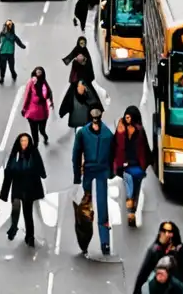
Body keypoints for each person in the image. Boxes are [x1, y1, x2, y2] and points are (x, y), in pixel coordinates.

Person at [72, 107, 115, 256]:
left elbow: (112, 154)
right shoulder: (83, 133)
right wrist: (77, 176)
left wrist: (111, 172)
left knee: (103, 208)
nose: (95, 121)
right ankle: (84, 242)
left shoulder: (108, 135)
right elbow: (76, 155)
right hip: (89, 171)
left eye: (98, 118)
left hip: (102, 171)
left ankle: (105, 242)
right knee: (85, 209)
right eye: (93, 118)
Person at [0, 132, 47, 246]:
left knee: (28, 213)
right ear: (19, 142)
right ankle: (13, 227)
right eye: (22, 141)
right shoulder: (15, 154)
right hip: (17, 185)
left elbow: (39, 164)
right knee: (15, 208)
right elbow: (9, 171)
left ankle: (30, 236)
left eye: (26, 141)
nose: (24, 143)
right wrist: (4, 192)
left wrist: (42, 174)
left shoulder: (33, 152)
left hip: (29, 187)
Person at [132, 221, 183, 293]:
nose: (166, 234)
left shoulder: (179, 249)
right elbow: (143, 274)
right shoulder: (155, 250)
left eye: (169, 232)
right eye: (163, 231)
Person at [114, 105, 150, 226]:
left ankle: (132, 210)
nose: (126, 118)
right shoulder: (120, 129)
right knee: (129, 187)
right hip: (125, 166)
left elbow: (145, 148)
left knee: (136, 191)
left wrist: (146, 164)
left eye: (129, 117)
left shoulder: (139, 130)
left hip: (138, 166)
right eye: (126, 116)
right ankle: (130, 213)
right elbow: (115, 146)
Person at [21, 67, 54, 147]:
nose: (38, 74)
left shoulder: (44, 83)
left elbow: (49, 93)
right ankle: (35, 145)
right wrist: (24, 108)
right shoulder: (31, 83)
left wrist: (51, 102)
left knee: (41, 130)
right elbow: (27, 96)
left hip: (43, 112)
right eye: (37, 72)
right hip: (32, 112)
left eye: (40, 72)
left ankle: (44, 136)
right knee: (34, 131)